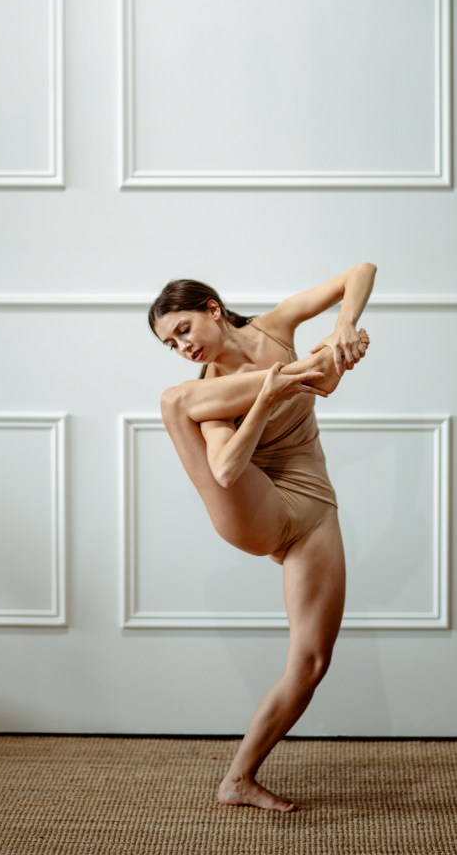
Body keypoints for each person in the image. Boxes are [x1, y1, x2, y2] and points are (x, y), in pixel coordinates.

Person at [149, 263, 377, 812]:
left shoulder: (276, 327)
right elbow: (226, 470)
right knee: (175, 400)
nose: (182, 347)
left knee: (312, 661)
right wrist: (269, 397)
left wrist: (344, 326)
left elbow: (361, 272)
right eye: (170, 344)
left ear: (212, 308)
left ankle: (239, 779)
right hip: (254, 506)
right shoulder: (210, 392)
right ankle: (312, 369)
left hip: (314, 507)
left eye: (183, 330)